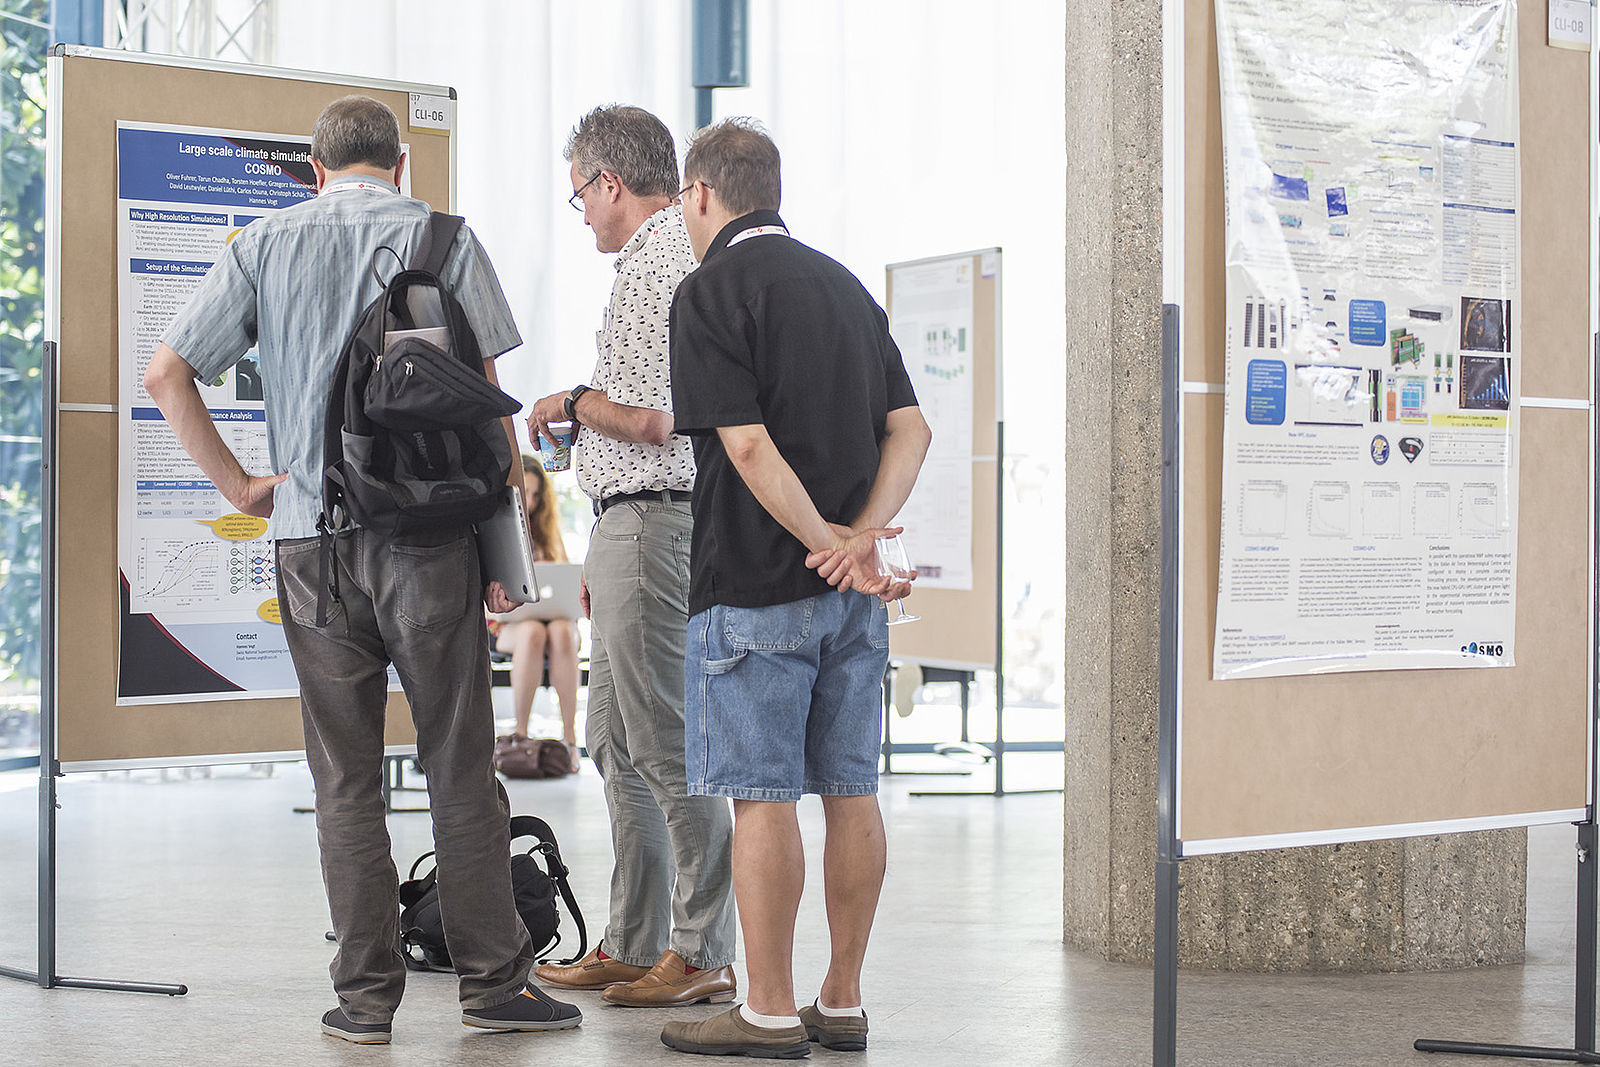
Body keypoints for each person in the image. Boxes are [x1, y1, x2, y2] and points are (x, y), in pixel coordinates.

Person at [142, 95, 581, 1044]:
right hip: (431, 543)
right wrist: (504, 558)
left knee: (344, 777)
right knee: (458, 762)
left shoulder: (261, 245)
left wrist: (243, 486)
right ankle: (494, 987)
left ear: (314, 167)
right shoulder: (445, 240)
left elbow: (165, 374)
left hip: (310, 543)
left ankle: (365, 1001)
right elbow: (491, 416)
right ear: (401, 163)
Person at [660, 118, 931, 1058]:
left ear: (701, 194)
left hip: (752, 590)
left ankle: (769, 1009)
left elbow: (743, 443)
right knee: (851, 789)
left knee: (762, 798)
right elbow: (912, 429)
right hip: (855, 603)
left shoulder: (709, 291)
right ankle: (841, 998)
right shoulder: (846, 287)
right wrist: (860, 545)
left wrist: (826, 542)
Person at [527, 104, 737, 1008]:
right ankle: (635, 937)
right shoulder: (660, 259)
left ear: (611, 182)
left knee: (663, 740)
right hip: (627, 522)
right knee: (615, 741)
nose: (582, 215)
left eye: (581, 195)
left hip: (653, 523)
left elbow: (657, 420)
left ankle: (702, 948)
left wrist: (573, 402)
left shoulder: (661, 262)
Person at [491, 455, 581, 767]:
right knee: (532, 632)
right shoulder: (496, 529)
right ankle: (521, 733)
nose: (529, 502)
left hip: (553, 624)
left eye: (535, 494)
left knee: (560, 630)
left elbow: (565, 583)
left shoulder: (547, 532)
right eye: (524, 492)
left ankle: (570, 738)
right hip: (507, 626)